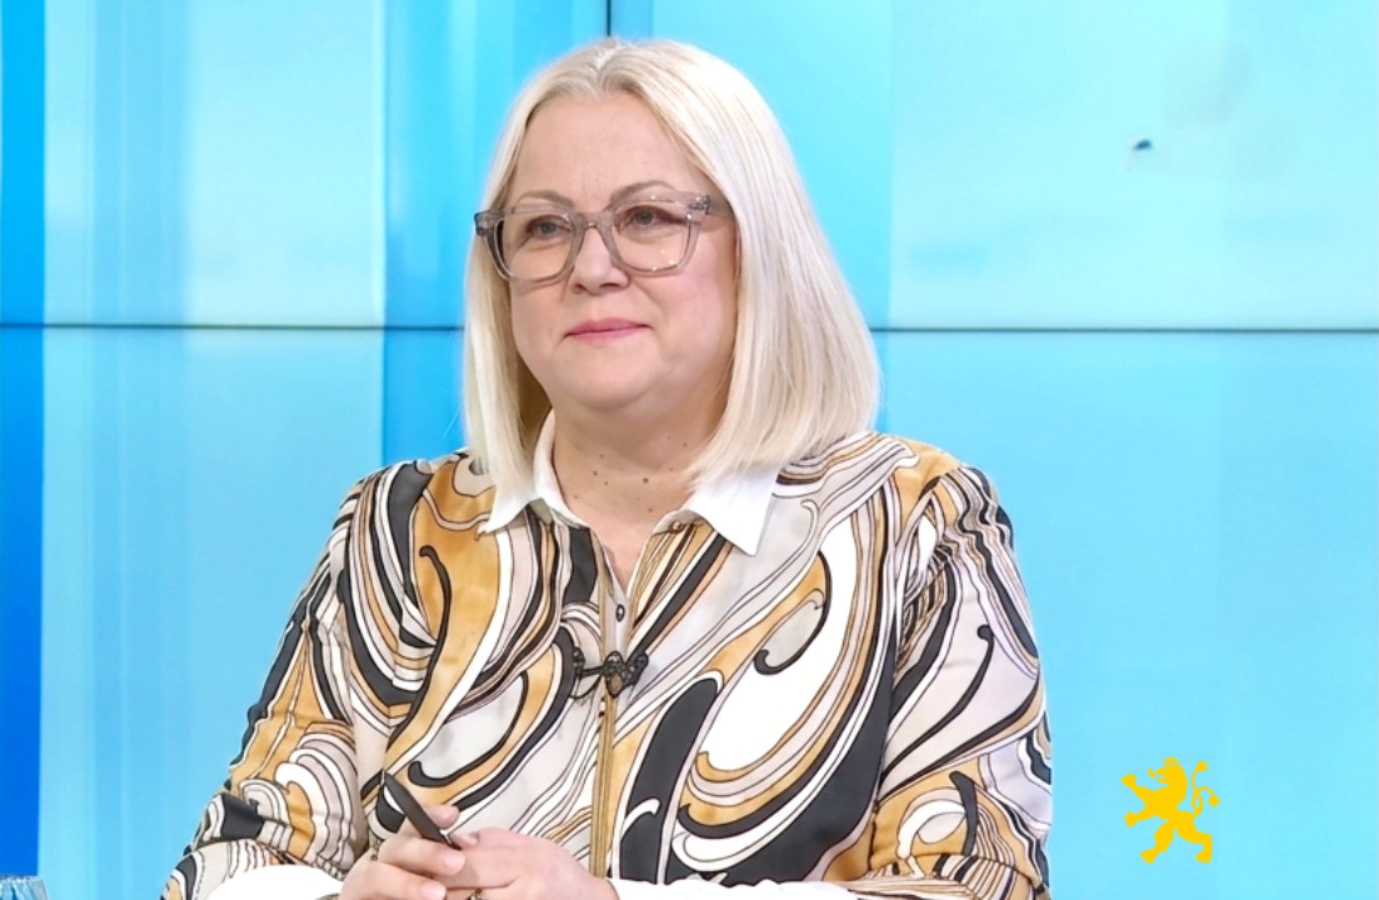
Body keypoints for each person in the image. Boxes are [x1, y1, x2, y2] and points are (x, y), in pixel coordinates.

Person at [164, 37, 1051, 900]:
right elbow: (230, 865)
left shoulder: (914, 523)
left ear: (758, 247)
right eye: (545, 228)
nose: (591, 268)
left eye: (647, 219)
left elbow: (980, 883)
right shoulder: (399, 530)